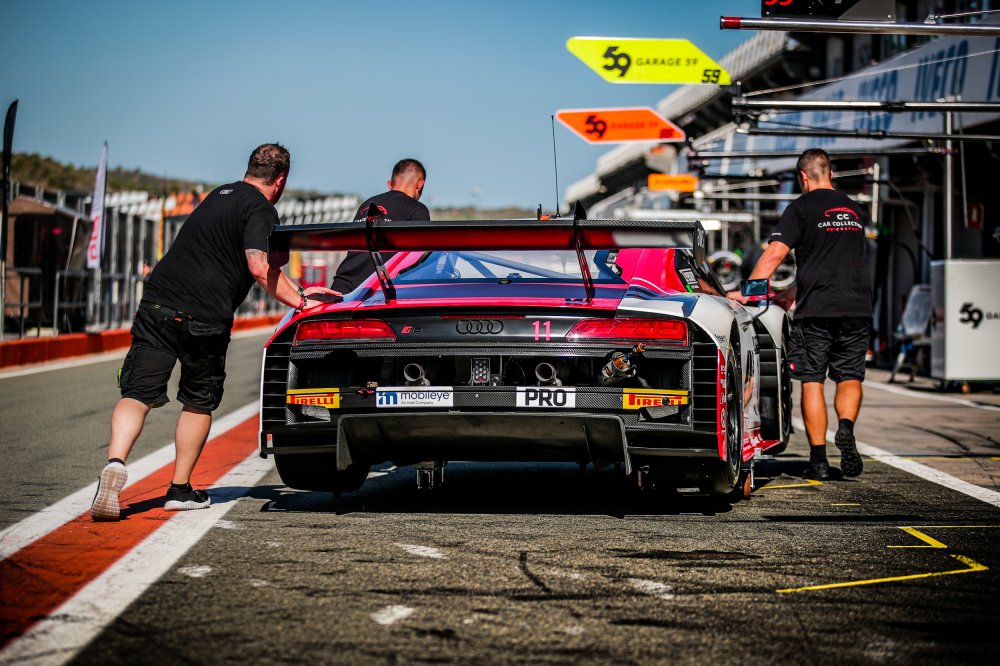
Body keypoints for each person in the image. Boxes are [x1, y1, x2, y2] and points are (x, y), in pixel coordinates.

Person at [91, 143, 338, 521]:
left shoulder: (219, 195)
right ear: (281, 180)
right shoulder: (261, 209)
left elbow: (259, 266)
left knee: (137, 393)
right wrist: (303, 302)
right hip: (204, 318)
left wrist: (297, 290)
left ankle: (115, 464)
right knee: (198, 401)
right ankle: (179, 489)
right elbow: (259, 267)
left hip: (157, 304)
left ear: (250, 168)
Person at [728, 148, 871, 480]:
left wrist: (750, 291)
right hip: (857, 306)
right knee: (850, 376)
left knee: (812, 379)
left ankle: (818, 460)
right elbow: (833, 263)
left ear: (803, 177)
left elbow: (775, 253)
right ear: (830, 173)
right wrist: (789, 294)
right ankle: (846, 428)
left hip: (817, 309)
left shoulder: (801, 207)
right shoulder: (854, 209)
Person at [331, 158, 429, 293]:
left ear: (390, 184)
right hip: (377, 293)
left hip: (341, 287)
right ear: (420, 184)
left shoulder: (367, 204)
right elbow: (421, 262)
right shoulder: (417, 210)